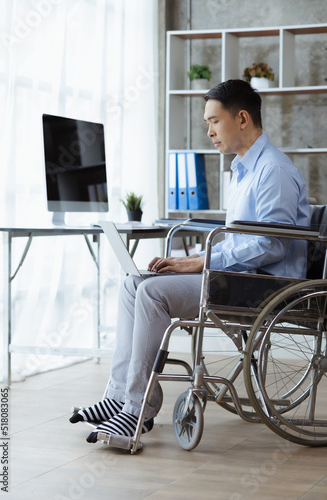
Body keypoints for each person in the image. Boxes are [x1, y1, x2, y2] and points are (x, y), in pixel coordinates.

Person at [70, 79, 310, 442]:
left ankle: (137, 409)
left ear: (242, 118)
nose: (210, 131)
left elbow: (272, 245)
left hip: (264, 286)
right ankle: (118, 396)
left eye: (214, 121)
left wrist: (201, 260)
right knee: (134, 284)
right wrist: (198, 259)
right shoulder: (243, 170)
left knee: (152, 294)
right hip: (238, 277)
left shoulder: (272, 170)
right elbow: (245, 240)